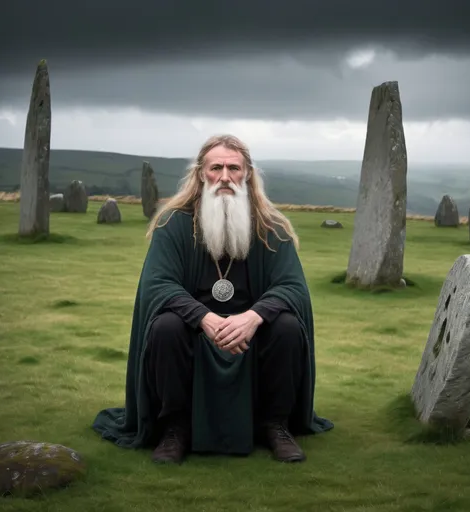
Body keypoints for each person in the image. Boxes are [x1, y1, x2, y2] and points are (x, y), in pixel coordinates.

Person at [92, 134, 333, 464]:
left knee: (288, 327)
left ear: (247, 174)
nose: (224, 176)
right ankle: (175, 428)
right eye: (215, 167)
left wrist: (253, 317)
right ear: (200, 174)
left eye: (233, 168)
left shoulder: (271, 228)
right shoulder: (173, 224)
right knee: (164, 327)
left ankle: (275, 424)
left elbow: (292, 287)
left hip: (253, 336)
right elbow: (158, 284)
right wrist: (203, 318)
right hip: (191, 333)